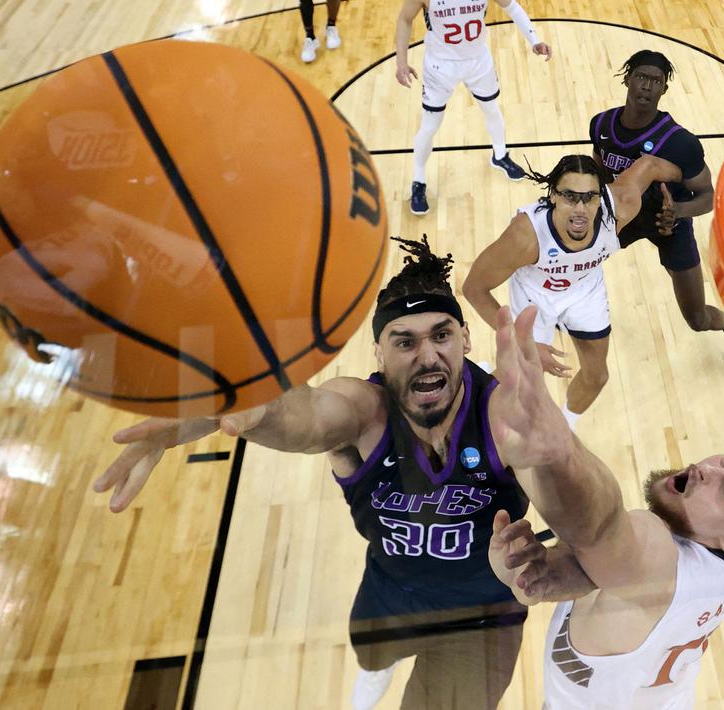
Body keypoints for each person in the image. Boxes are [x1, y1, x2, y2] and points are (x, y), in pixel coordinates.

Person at [93, 237, 530, 710]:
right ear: (379, 354)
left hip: (482, 613)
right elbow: (309, 415)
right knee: (371, 661)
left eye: (441, 335)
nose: (426, 356)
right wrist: (257, 398)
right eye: (404, 341)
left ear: (466, 338)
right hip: (389, 589)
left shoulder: (505, 415)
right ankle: (368, 688)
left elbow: (587, 519)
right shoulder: (366, 411)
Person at [484, 304, 724, 708]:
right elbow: (590, 573)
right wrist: (528, 576)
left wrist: (559, 455)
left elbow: (599, 527)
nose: (707, 469)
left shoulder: (658, 557)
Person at [462, 153, 681, 428]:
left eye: (589, 197)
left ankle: (565, 426)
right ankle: (472, 403)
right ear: (553, 195)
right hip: (535, 294)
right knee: (518, 378)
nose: (580, 208)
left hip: (584, 289)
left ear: (601, 197)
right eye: (569, 196)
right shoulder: (525, 236)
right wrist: (521, 341)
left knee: (597, 376)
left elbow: (652, 164)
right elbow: (473, 288)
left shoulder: (621, 206)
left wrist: (687, 198)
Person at [589, 50, 724, 373]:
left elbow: (709, 196)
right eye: (641, 77)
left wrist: (678, 211)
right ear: (627, 78)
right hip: (628, 217)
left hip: (671, 223)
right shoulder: (601, 124)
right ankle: (563, 305)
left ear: (664, 89)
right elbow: (600, 170)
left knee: (696, 318)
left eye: (656, 81)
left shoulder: (680, 143)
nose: (647, 86)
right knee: (577, 251)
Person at [395, 0, 552, 215]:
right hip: (440, 66)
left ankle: (500, 155)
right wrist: (401, 62)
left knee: (491, 110)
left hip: (478, 61)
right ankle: (418, 179)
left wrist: (535, 39)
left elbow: (512, 6)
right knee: (430, 125)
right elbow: (404, 19)